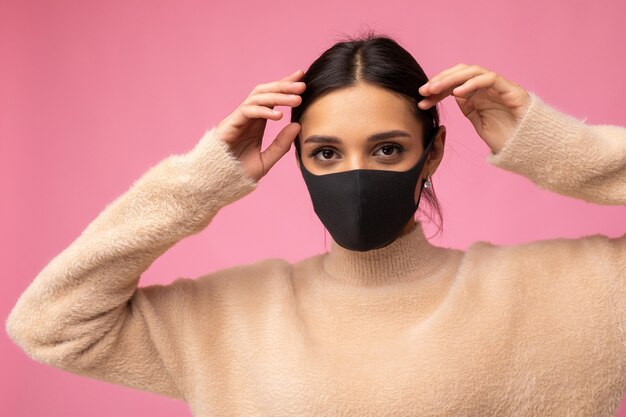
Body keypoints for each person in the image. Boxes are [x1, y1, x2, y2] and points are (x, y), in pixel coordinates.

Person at [5, 34, 626, 417]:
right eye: (326, 153)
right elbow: (50, 324)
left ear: (431, 154)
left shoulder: (575, 292)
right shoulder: (229, 319)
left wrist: (555, 147)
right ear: (298, 161)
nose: (356, 176)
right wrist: (203, 177)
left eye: (386, 150)